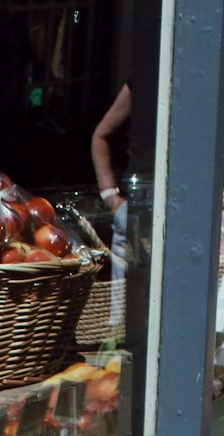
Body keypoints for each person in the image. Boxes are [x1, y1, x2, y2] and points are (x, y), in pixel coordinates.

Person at [91, 82, 131, 322]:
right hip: (140, 205)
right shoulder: (141, 84)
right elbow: (101, 135)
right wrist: (110, 195)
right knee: (122, 318)